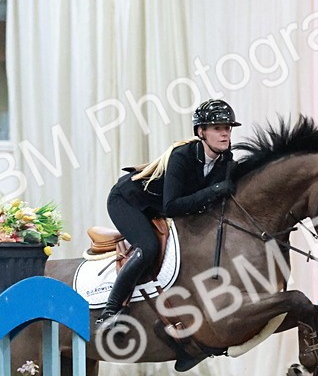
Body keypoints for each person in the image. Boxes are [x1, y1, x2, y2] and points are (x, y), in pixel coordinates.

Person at [96, 99, 241, 328]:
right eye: (217, 128)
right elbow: (173, 206)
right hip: (128, 201)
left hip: (157, 207)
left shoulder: (226, 160)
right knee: (148, 247)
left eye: (227, 128)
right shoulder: (181, 156)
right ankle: (110, 310)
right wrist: (213, 190)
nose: (225, 134)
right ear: (201, 131)